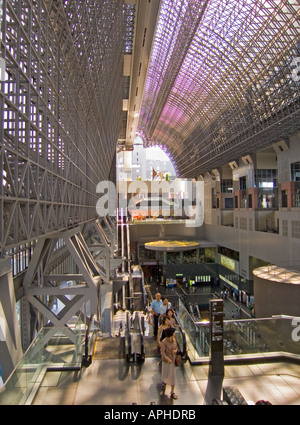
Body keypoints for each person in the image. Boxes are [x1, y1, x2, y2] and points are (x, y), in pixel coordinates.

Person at [160, 327, 178, 400]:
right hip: (167, 361)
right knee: (166, 374)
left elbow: (176, 347)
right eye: (173, 333)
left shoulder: (174, 340)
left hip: (173, 361)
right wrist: (167, 359)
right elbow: (162, 352)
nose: (174, 334)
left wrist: (176, 351)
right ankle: (164, 383)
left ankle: (172, 392)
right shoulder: (164, 342)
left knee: (173, 376)